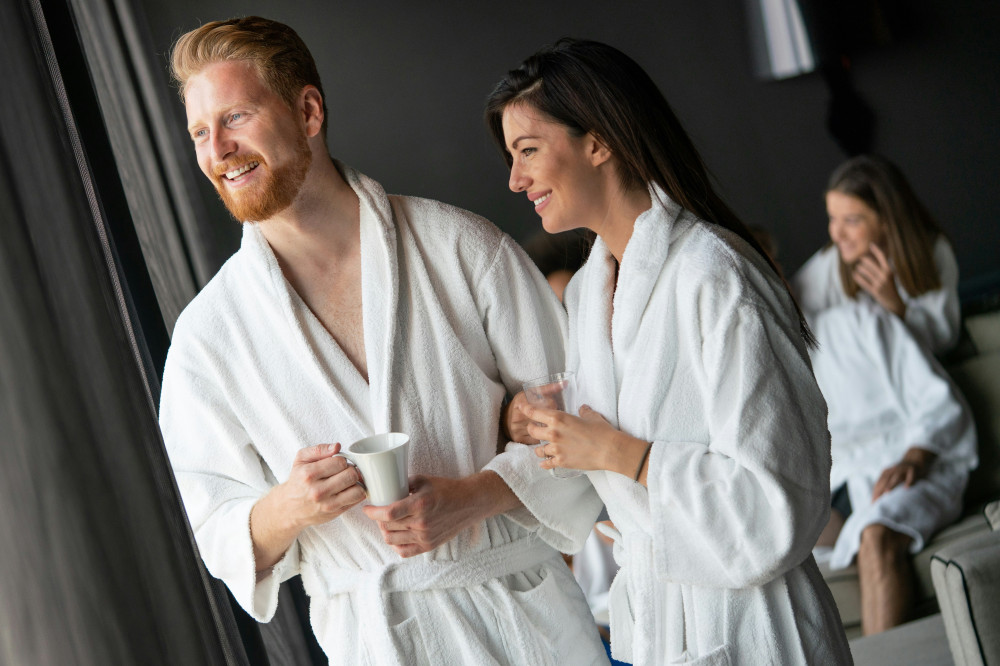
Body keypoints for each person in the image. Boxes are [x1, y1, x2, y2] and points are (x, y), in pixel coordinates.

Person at [158, 17, 608, 665]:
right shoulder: (209, 336)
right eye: (201, 132)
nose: (218, 150)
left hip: (527, 625)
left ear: (308, 111)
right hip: (373, 641)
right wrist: (290, 506)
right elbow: (213, 529)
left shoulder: (461, 247)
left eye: (235, 117)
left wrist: (474, 498)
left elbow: (587, 421)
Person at [486, 38, 852, 664]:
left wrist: (621, 455)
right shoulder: (588, 294)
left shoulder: (716, 275)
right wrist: (533, 427)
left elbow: (780, 500)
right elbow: (602, 468)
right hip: (655, 622)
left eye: (528, 151)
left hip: (753, 625)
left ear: (598, 142)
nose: (515, 179)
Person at [809, 301, 977, 635]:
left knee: (876, 535)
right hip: (842, 483)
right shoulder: (767, 364)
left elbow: (936, 397)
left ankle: (887, 654)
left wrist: (915, 456)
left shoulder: (859, 321)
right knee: (780, 554)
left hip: (911, 463)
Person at [792, 154, 961, 354]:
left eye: (851, 221)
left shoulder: (933, 251)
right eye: (832, 218)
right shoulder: (832, 260)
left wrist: (897, 308)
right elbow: (793, 311)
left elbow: (946, 339)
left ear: (887, 219)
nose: (836, 234)